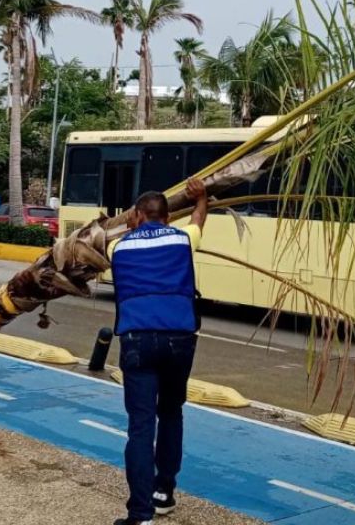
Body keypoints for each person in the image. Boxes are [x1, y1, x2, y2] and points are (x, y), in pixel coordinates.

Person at [110, 177, 209, 525]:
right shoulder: (183, 239)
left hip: (138, 340)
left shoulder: (118, 248)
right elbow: (198, 220)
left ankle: (141, 515)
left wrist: (127, 223)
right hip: (180, 339)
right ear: (167, 217)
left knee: (140, 426)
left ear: (137, 215)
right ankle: (164, 492)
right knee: (171, 413)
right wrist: (201, 199)